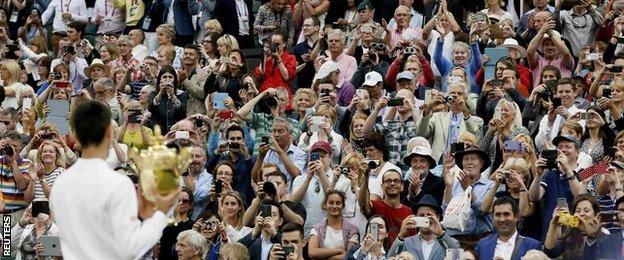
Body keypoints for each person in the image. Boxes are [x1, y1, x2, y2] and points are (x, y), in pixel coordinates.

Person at [50, 100, 180, 258]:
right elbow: (131, 248)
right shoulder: (118, 184)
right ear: (108, 133)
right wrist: (162, 213)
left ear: (76, 135)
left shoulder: (60, 183)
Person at [528, 134, 584, 239]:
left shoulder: (585, 172)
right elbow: (534, 197)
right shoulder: (550, 173)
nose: (563, 150)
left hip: (573, 234)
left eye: (568, 147)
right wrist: (538, 174)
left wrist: (567, 170)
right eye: (560, 147)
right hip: (550, 234)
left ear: (578, 152)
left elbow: (580, 197)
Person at [442, 146, 495, 249]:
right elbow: (446, 213)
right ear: (462, 164)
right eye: (466, 159)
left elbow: (482, 211)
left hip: (481, 241)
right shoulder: (454, 184)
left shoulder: (491, 186)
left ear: (482, 163)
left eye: (473, 158)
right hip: (456, 240)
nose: (469, 163)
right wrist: (448, 187)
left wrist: (467, 189)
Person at [387, 194, 461, 259]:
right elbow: (390, 258)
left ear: (437, 218)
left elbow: (457, 258)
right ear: (415, 218)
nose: (425, 218)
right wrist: (401, 236)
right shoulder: (406, 242)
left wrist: (441, 234)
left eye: (429, 215)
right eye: (421, 215)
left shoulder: (450, 241)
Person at [475, 196, 542, 260]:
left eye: (506, 214)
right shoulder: (483, 244)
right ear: (493, 218)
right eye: (498, 215)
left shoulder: (532, 245)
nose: (502, 219)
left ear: (516, 217)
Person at [308, 190, 359, 259]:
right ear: (325, 205)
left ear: (343, 206)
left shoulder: (352, 230)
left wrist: (323, 257)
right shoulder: (317, 229)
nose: (334, 206)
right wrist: (339, 250)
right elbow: (312, 252)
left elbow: (349, 256)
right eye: (331, 203)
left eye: (338, 203)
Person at [159, 190, 195, 260]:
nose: (180, 203)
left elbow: (183, 243)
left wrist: (178, 216)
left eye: (185, 201)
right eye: (177, 200)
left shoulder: (193, 225)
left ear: (191, 205)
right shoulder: (164, 222)